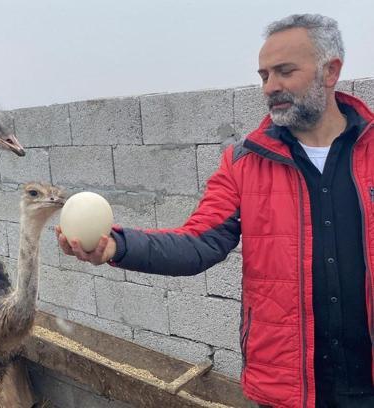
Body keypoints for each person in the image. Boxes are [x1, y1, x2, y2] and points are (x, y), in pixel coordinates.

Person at [56, 14, 374, 408]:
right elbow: (198, 244)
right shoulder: (243, 163)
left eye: (284, 71)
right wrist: (115, 247)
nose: (270, 87)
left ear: (331, 71)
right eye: (263, 76)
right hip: (288, 390)